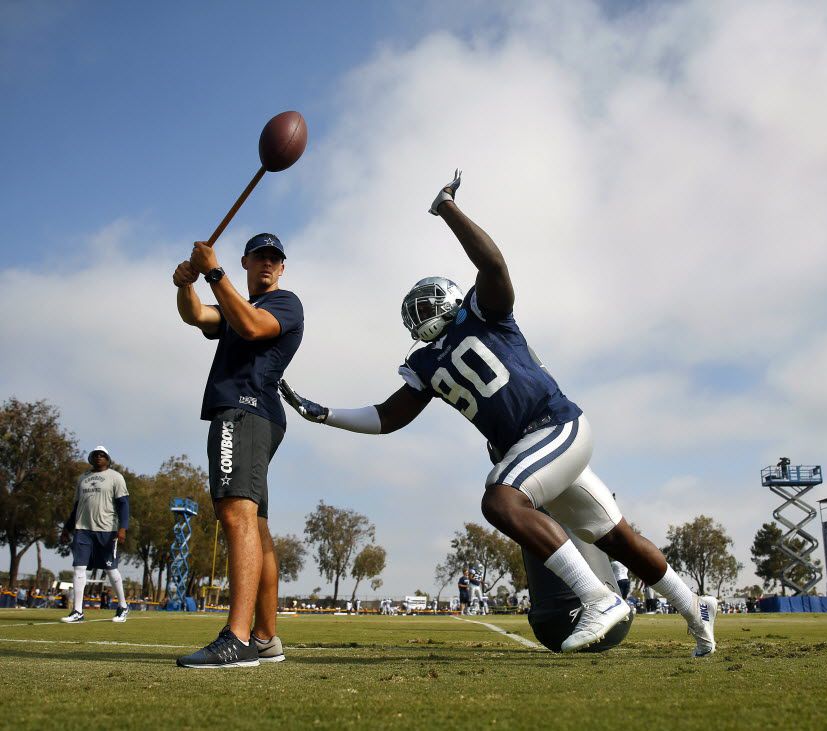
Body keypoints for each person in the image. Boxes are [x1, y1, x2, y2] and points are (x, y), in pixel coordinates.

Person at [280, 171, 716, 656]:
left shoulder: (484, 313)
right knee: (618, 539)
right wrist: (324, 414)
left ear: (450, 297)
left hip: (554, 425)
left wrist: (447, 207)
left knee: (500, 500)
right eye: (413, 310)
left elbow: (492, 264)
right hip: (537, 448)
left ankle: (598, 597)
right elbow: (388, 416)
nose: (419, 314)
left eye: (426, 303)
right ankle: (697, 609)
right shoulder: (424, 363)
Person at [172, 233, 303, 668]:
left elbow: (251, 327)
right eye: (260, 257)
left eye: (275, 259)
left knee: (235, 513)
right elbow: (196, 317)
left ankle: (238, 638)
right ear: (247, 262)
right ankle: (265, 638)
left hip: (246, 412)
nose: (268, 263)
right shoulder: (232, 306)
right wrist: (185, 283)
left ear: (282, 268)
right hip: (253, 417)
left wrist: (213, 271)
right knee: (256, 524)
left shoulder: (284, 304)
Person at [59, 446, 131, 624]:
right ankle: (77, 611)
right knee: (79, 568)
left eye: (102, 455)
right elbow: (76, 507)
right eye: (96, 455)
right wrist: (66, 529)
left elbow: (123, 504)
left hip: (107, 530)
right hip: (83, 529)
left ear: (108, 458)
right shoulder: (82, 479)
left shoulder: (116, 477)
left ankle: (122, 606)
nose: (99, 457)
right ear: (91, 458)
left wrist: (123, 528)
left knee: (110, 568)